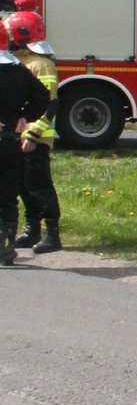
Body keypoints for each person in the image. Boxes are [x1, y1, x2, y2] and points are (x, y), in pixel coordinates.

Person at [8, 11, 60, 252]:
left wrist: (33, 135)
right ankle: (32, 230)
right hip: (17, 138)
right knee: (22, 185)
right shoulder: (18, 62)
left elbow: (50, 105)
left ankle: (52, 234)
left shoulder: (41, 65)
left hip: (35, 140)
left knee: (40, 186)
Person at [0, 18, 50, 265]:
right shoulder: (18, 68)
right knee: (8, 194)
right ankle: (6, 248)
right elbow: (42, 97)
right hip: (10, 142)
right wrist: (24, 116)